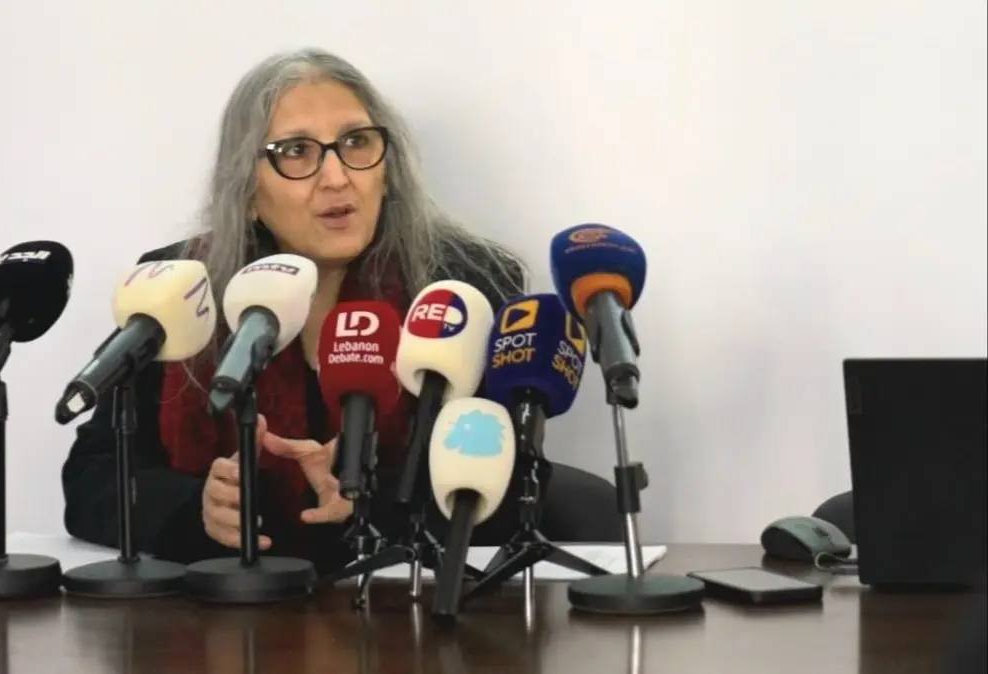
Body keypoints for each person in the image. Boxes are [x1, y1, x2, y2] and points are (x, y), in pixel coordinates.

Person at [62, 48, 621, 573]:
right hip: (228, 606)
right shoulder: (181, 287)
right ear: (247, 190)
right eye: (296, 152)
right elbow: (92, 478)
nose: (337, 177)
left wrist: (371, 498)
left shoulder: (467, 284)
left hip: (409, 604)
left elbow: (511, 476)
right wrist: (196, 510)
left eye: (356, 142)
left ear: (387, 170)